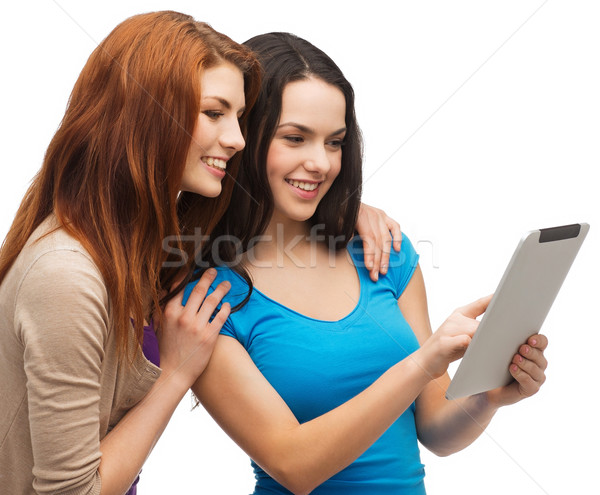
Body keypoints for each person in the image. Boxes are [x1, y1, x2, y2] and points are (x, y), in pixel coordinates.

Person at [0, 12, 403, 494]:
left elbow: (246, 205)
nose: (237, 138)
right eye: (215, 113)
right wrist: (174, 374)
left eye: (238, 118)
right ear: (144, 115)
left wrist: (342, 207)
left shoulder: (145, 249)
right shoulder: (67, 275)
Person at [187, 32, 549, 495]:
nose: (320, 162)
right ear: (243, 136)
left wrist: (490, 396)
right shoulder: (207, 297)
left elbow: (435, 429)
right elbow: (293, 466)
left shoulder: (382, 252)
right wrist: (423, 362)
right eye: (295, 138)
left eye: (334, 142)